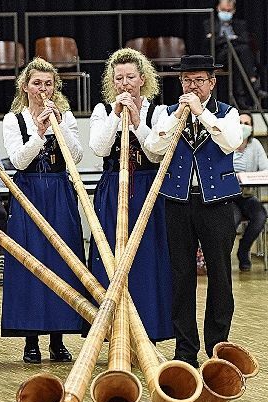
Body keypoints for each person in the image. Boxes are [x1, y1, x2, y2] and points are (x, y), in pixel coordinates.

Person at [145, 54, 243, 368]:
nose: (193, 86)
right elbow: (153, 149)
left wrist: (202, 115)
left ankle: (218, 346)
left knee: (220, 275)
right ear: (180, 82)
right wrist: (179, 119)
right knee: (181, 275)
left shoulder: (226, 113)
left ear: (212, 83)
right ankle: (185, 349)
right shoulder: (167, 113)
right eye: (187, 80)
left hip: (217, 203)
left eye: (199, 80)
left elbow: (230, 143)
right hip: (177, 202)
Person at [2, 57, 85, 363]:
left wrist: (59, 128)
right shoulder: (15, 120)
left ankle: (58, 338)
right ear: (25, 86)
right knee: (31, 263)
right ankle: (31, 340)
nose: (42, 89)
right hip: (29, 194)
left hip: (59, 192)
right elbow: (19, 161)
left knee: (64, 261)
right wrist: (38, 132)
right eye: (36, 83)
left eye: (48, 83)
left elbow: (75, 157)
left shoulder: (65, 116)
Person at [89, 47, 173, 342]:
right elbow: (99, 149)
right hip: (114, 187)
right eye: (118, 78)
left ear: (142, 80)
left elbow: (155, 150)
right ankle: (114, 333)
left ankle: (148, 330)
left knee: (147, 259)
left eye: (130, 78)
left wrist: (137, 119)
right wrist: (116, 115)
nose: (124, 84)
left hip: (148, 187)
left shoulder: (159, 112)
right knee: (112, 259)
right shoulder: (102, 110)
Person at [204, 0, 267, 108]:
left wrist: (226, 40)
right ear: (218, 7)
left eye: (229, 10)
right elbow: (212, 42)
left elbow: (246, 39)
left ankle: (241, 101)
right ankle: (254, 83)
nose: (226, 13)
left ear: (234, 10)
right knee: (241, 50)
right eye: (223, 10)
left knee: (238, 56)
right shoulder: (211, 23)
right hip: (220, 56)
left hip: (235, 56)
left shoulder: (240, 24)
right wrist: (231, 39)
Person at [233, 112, 268, 271]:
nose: (243, 126)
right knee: (231, 221)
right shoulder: (227, 144)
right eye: (240, 122)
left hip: (247, 196)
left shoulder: (255, 145)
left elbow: (265, 169)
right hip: (230, 198)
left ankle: (243, 250)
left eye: (247, 123)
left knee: (260, 216)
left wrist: (248, 176)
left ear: (252, 127)